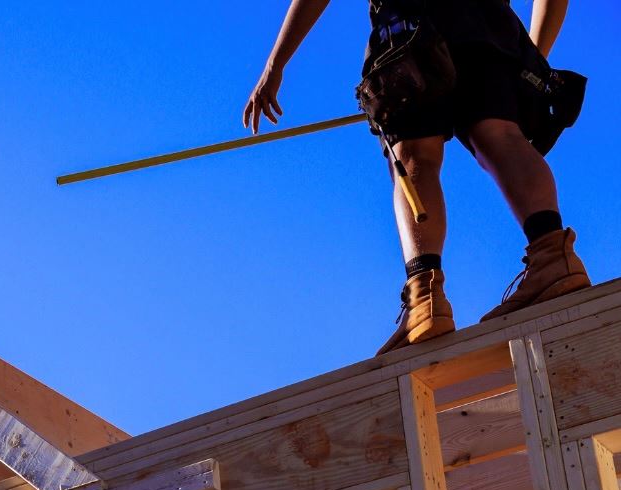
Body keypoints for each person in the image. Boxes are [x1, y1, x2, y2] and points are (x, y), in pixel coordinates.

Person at [242, 0, 591, 349]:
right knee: (500, 134)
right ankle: (553, 258)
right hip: (488, 27)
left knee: (414, 155)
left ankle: (424, 299)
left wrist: (275, 65)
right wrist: (528, 54)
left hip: (409, 27)